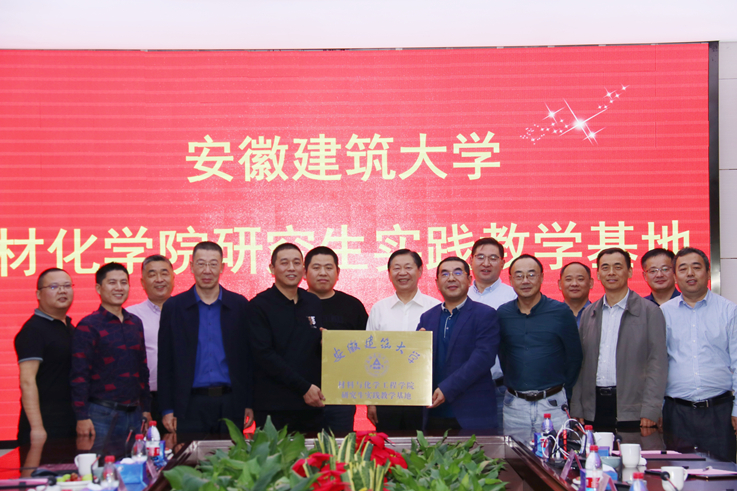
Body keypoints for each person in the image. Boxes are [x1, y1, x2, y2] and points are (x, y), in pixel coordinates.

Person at [158, 242, 252, 434]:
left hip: (231, 402)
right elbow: (165, 363)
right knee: (190, 454)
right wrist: (167, 408)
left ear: (222, 267)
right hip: (188, 404)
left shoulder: (239, 305)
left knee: (232, 453)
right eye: (201, 264)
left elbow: (248, 360)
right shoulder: (174, 307)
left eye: (213, 264)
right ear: (191, 266)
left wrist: (249, 403)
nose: (207, 270)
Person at [571, 248, 667, 430]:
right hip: (594, 408)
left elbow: (658, 364)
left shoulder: (650, 311)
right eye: (605, 268)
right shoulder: (589, 313)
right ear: (598, 274)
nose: (611, 273)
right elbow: (580, 364)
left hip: (633, 409)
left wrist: (651, 409)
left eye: (618, 267)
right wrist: (577, 405)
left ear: (629, 272)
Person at [661, 247, 737, 463]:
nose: (690, 274)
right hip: (676, 413)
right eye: (683, 269)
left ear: (708, 272)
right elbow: (657, 365)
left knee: (722, 473)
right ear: (675, 276)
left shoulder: (729, 311)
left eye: (696, 267)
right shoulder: (664, 312)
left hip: (719, 412)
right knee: (677, 473)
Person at [497, 254, 582, 440]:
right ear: (510, 280)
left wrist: (562, 389)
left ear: (542, 277)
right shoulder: (502, 314)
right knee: (516, 456)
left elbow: (574, 356)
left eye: (531, 275)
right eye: (519, 276)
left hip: (553, 403)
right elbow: (502, 353)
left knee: (555, 456)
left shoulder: (560, 312)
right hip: (514, 405)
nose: (525, 281)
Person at [70, 263, 151, 448]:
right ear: (99, 288)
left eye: (123, 282)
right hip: (101, 414)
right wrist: (81, 417)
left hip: (135, 414)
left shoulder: (135, 323)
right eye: (112, 282)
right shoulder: (88, 326)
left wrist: (146, 408)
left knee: (135, 463)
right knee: (101, 464)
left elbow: (142, 369)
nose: (119, 288)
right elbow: (79, 375)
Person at [248, 243, 325, 432]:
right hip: (274, 407)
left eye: (296, 263)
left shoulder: (313, 302)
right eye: (284, 263)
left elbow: (313, 348)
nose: (291, 268)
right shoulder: (259, 306)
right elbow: (264, 355)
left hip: (311, 405)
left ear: (303, 269)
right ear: (272, 268)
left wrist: (328, 344)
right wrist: (303, 387)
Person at [417, 257, 500, 430]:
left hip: (473, 413)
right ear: (437, 283)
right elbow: (417, 362)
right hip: (433, 412)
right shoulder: (427, 317)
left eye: (457, 272)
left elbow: (483, 358)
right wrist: (416, 347)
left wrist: (447, 388)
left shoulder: (485, 314)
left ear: (469, 280)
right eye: (445, 274)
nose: (451, 278)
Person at [366, 249, 440, 431]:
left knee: (423, 445)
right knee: (388, 445)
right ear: (389, 273)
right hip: (386, 395)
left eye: (408, 267)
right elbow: (369, 353)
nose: (402, 273)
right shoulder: (379, 309)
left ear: (420, 271)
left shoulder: (436, 308)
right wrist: (371, 401)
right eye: (396, 268)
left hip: (424, 395)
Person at [304, 246, 368, 432]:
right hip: (301, 395)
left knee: (341, 447)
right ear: (304, 272)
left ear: (338, 272)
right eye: (316, 267)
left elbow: (367, 349)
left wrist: (338, 345)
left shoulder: (352, 306)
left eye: (328, 267)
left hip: (342, 397)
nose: (323, 273)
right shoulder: (295, 303)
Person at [14, 268, 77, 445]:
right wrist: (37, 428)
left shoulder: (70, 328)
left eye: (67, 286)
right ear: (38, 294)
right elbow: (27, 381)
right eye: (54, 287)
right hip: (46, 425)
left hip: (71, 422)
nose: (62, 291)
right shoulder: (33, 330)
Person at [466, 237, 516, 428]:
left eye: (493, 258)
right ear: (471, 260)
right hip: (464, 389)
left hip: (502, 389)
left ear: (502, 263)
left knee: (503, 444)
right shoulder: (460, 295)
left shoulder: (513, 296)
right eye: (480, 257)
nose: (486, 263)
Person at [126, 255, 175, 428]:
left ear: (173, 277)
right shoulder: (130, 316)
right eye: (152, 274)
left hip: (181, 397)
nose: (159, 279)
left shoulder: (186, 311)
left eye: (164, 273)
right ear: (142, 282)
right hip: (145, 399)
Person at [558, 262, 594, 327]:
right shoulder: (551, 316)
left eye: (580, 279)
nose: (574, 284)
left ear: (590, 283)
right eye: (568, 279)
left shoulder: (600, 313)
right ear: (560, 284)